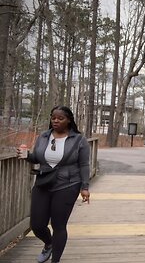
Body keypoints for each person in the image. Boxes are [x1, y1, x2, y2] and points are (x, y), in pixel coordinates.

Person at [17, 105, 90, 263]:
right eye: (53, 118)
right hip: (43, 182)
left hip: (68, 185)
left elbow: (84, 165)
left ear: (69, 120)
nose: (56, 121)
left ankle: (55, 260)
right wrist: (26, 155)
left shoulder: (79, 139)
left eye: (60, 118)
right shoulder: (44, 136)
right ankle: (48, 244)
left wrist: (85, 187)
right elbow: (37, 158)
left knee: (59, 225)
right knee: (36, 224)